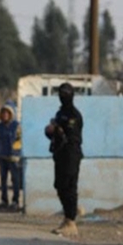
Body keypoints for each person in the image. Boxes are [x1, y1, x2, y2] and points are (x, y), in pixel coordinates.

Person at [45, 82, 83, 236]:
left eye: (66, 94)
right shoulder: (60, 113)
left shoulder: (74, 115)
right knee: (59, 185)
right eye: (61, 94)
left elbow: (72, 136)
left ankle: (71, 221)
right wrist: (51, 130)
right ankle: (68, 215)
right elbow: (52, 133)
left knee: (69, 186)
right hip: (60, 154)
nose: (63, 97)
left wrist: (59, 130)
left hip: (71, 154)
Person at [0, 100, 23, 211]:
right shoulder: (0, 126)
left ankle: (15, 201)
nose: (5, 115)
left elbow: (20, 141)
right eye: (3, 112)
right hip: (2, 156)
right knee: (3, 179)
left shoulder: (17, 126)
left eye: (8, 112)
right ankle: (4, 200)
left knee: (15, 180)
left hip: (14, 157)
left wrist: (17, 154)